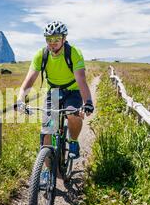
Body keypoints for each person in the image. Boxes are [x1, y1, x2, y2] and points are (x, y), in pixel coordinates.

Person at [17, 21, 94, 159]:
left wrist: (88, 102)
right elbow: (28, 82)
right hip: (53, 93)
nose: (52, 43)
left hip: (73, 91)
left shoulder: (74, 53)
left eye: (57, 39)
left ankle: (74, 141)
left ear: (64, 39)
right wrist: (20, 99)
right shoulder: (41, 55)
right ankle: (48, 171)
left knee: (72, 115)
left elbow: (81, 81)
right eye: (49, 39)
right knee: (47, 132)